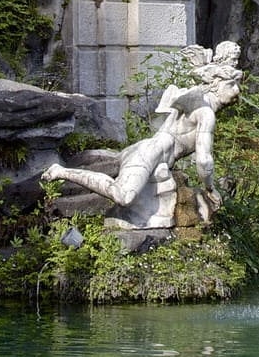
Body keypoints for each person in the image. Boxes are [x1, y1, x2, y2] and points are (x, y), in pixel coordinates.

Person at [43, 42, 241, 228]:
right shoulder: (205, 112)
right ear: (215, 84)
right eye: (231, 84)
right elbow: (204, 161)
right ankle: (61, 171)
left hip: (155, 155)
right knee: (124, 195)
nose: (237, 91)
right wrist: (210, 188)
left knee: (126, 191)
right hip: (151, 152)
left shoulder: (198, 100)